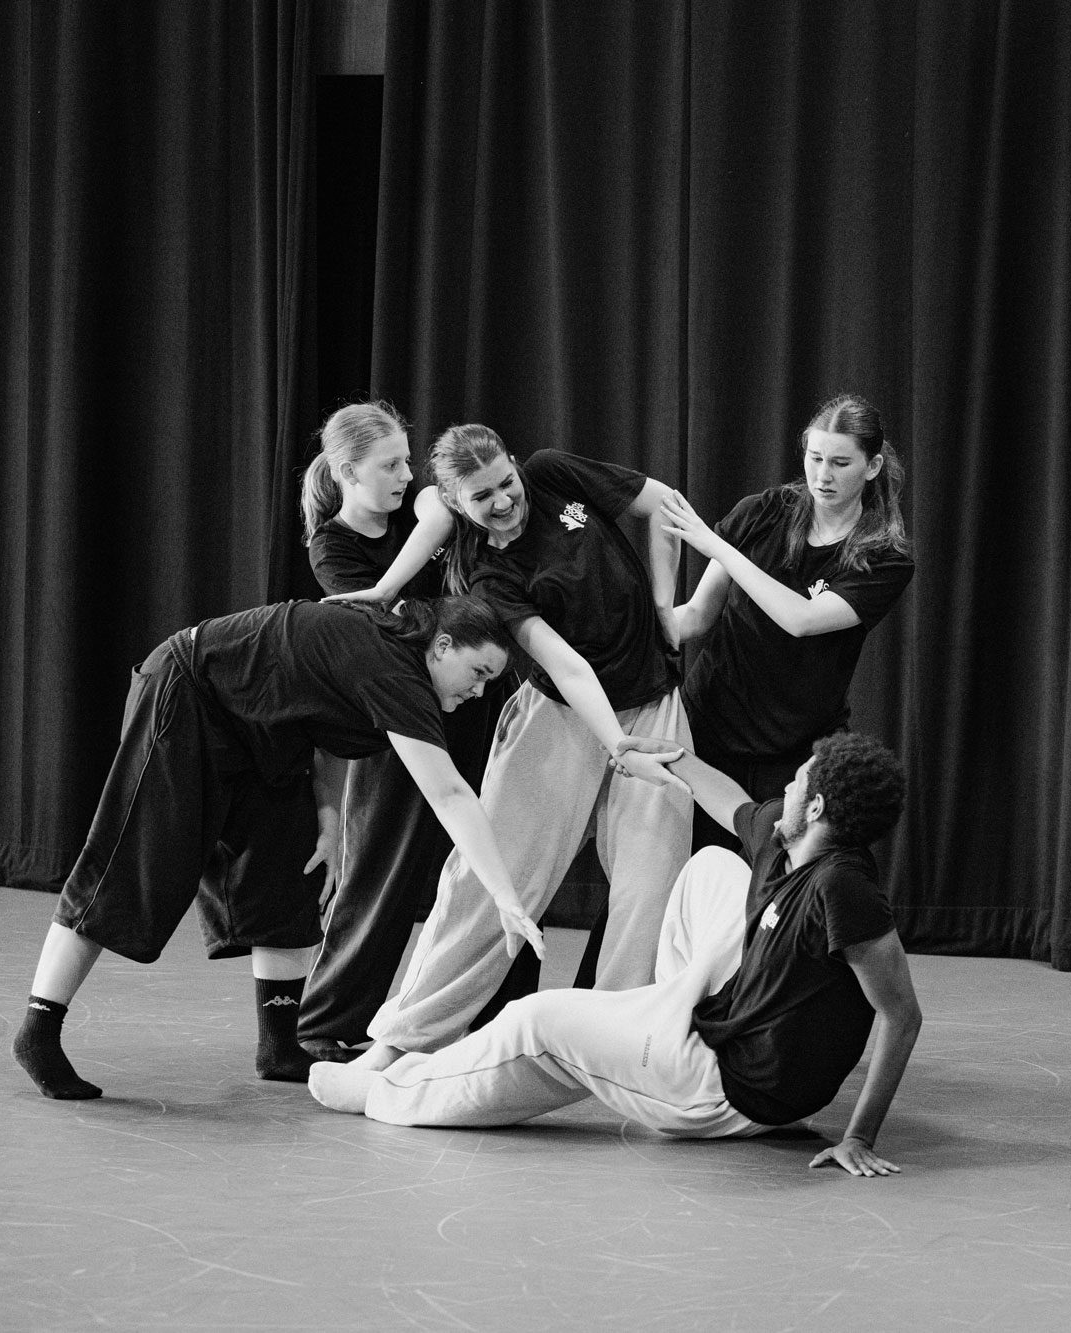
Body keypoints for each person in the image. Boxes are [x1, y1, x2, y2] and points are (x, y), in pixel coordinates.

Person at [309, 732, 923, 1179]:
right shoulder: (787, 845)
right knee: (712, 866)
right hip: (735, 1031)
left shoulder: (842, 888)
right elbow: (730, 800)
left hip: (729, 1089)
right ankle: (667, 1011)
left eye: (798, 782)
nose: (786, 785)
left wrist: (859, 1136)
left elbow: (902, 1015)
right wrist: (668, 755)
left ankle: (386, 1092)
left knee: (536, 1020)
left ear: (816, 809)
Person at [12, 597, 542, 1100]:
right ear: (443, 645)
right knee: (130, 866)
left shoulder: (391, 666)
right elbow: (449, 794)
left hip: (261, 733)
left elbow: (324, 727)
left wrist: (328, 822)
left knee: (293, 866)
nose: (479, 692)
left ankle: (280, 1045)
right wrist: (504, 895)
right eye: (479, 673)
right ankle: (38, 1030)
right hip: (188, 692)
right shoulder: (393, 670)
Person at [350, 424, 692, 1072]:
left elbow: (664, 503)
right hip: (561, 717)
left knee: (651, 890)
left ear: (513, 462)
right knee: (490, 878)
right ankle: (398, 1042)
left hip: (653, 702)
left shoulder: (554, 473)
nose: (504, 501)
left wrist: (663, 602)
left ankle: (618, 1053)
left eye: (505, 482)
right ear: (458, 505)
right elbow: (566, 666)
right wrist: (617, 743)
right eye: (482, 498)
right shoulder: (488, 575)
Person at [294, 402, 530, 1063]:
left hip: (474, 702)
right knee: (381, 867)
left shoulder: (421, 507)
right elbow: (399, 628)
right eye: (390, 465)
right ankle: (328, 1021)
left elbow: (437, 516)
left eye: (405, 460)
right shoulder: (333, 547)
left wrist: (413, 569)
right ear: (346, 472)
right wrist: (416, 602)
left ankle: (498, 1017)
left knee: (494, 856)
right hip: (401, 716)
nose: (405, 473)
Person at [661, 393, 915, 837]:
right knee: (696, 865)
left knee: (778, 865)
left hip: (794, 750)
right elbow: (698, 616)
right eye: (815, 458)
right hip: (708, 727)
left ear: (872, 466)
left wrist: (718, 545)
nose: (823, 475)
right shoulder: (762, 512)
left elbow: (801, 619)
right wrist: (625, 636)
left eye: (840, 463)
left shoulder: (884, 557)